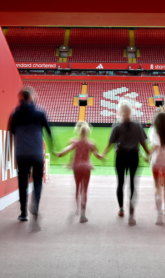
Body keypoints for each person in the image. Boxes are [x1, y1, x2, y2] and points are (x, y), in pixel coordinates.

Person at [9, 87, 53, 231]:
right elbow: (48, 131)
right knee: (38, 183)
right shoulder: (40, 113)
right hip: (36, 154)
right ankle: (35, 206)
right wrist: (53, 148)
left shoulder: (15, 114)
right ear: (32, 97)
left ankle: (23, 213)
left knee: (23, 183)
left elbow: (12, 132)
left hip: (21, 153)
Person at [102, 100, 150, 226]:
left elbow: (110, 144)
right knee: (133, 184)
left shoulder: (117, 126)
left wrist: (104, 153)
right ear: (130, 112)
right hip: (133, 156)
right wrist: (148, 154)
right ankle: (131, 213)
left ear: (120, 112)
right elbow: (143, 143)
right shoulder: (138, 125)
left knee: (121, 183)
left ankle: (121, 209)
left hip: (121, 157)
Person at [57, 122, 103, 223]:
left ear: (78, 132)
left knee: (77, 187)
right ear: (88, 132)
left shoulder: (74, 142)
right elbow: (97, 155)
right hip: (86, 167)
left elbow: (67, 150)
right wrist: (103, 156)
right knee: (85, 190)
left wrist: (60, 154)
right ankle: (83, 215)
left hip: (77, 167)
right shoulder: (91, 143)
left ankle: (77, 209)